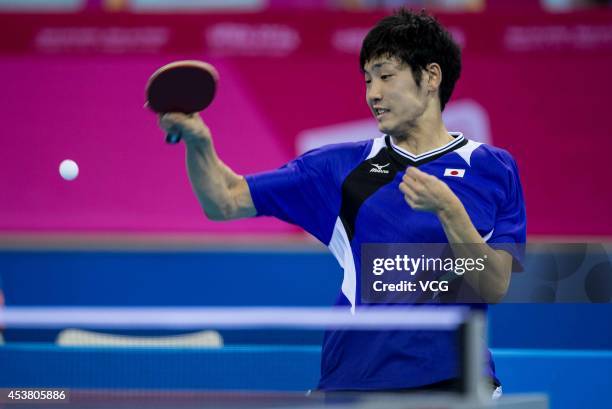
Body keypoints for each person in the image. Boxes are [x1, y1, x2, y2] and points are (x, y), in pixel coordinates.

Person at [158, 8, 525, 394]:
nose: (373, 94)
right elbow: (225, 200)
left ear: (431, 76)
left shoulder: (493, 169)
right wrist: (199, 144)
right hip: (355, 380)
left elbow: (493, 285)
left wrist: (449, 210)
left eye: (386, 76)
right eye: (367, 80)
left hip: (455, 383)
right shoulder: (339, 167)